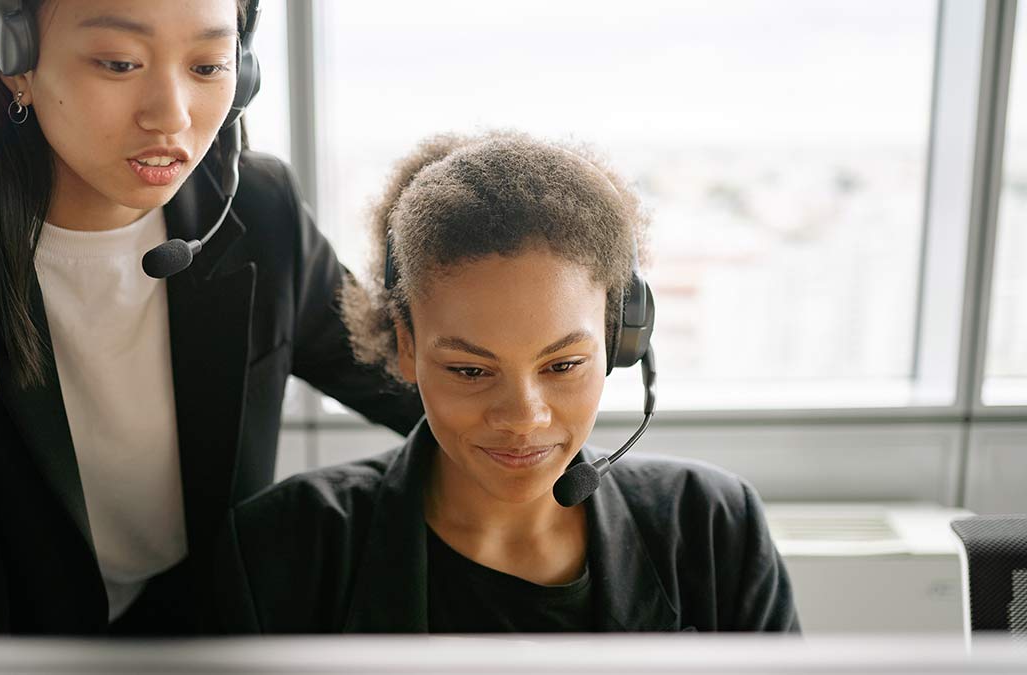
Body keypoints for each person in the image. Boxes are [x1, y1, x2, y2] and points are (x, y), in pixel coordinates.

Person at [0, 0, 420, 635]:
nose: (171, 115)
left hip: (209, 637)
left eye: (209, 65)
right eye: (119, 63)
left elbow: (420, 391)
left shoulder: (258, 208)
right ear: (12, 53)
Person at [216, 131, 800, 633]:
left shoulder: (713, 526)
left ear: (621, 341)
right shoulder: (279, 548)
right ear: (406, 346)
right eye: (471, 370)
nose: (523, 417)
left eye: (563, 365)